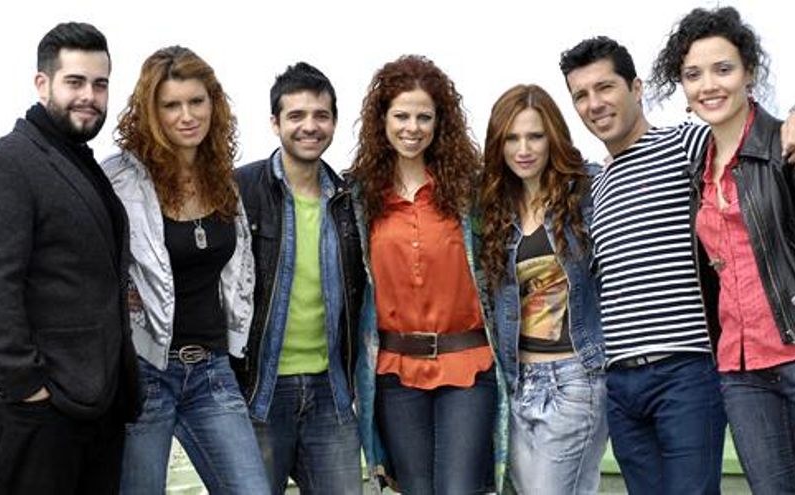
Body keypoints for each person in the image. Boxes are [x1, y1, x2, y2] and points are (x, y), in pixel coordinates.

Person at [559, 36, 795, 494]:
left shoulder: (687, 143)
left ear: (637, 88)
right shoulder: (596, 185)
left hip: (685, 371)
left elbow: (752, 131)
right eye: (581, 95)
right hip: (621, 383)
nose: (594, 103)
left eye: (605, 87)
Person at [649, 6, 795, 494]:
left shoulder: (792, 144)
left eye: (723, 69)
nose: (709, 85)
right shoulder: (697, 168)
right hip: (740, 371)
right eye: (693, 75)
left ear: (749, 72)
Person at [0, 22, 139, 494]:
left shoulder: (78, 163)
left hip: (92, 404)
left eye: (100, 84)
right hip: (33, 408)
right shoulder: (6, 163)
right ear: (42, 84)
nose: (90, 96)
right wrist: (27, 387)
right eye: (75, 82)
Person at [102, 46, 269, 494]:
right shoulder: (120, 180)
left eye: (197, 101)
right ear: (151, 112)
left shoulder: (221, 177)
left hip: (212, 369)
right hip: (146, 373)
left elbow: (238, 270)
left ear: (214, 103)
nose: (187, 116)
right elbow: (88, 261)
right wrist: (120, 295)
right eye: (171, 105)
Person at [349, 54, 504, 493]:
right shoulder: (361, 197)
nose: (412, 128)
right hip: (396, 372)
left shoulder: (471, 192)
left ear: (440, 122)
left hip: (468, 367)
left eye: (424, 117)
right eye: (401, 116)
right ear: (382, 120)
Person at [233, 62, 365, 494]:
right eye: (296, 115)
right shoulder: (241, 189)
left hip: (331, 390)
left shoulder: (348, 200)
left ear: (334, 122)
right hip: (260, 390)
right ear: (275, 123)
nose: (310, 126)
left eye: (321, 115)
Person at [479, 84, 607, 494]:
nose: (523, 149)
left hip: (575, 377)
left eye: (535, 136)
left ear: (553, 137)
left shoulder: (587, 191)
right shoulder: (494, 208)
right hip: (517, 381)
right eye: (512, 138)